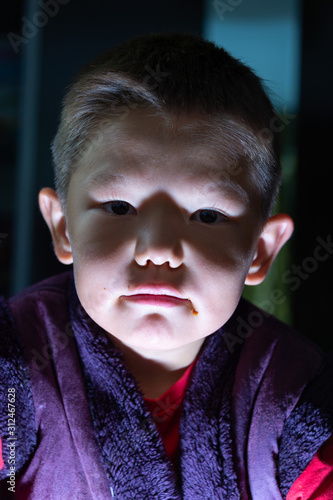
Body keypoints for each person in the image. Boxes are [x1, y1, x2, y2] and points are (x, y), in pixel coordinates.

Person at [0, 32, 332, 499]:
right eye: (118, 207)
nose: (158, 249)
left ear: (260, 250)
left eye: (208, 216)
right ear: (62, 227)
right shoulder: (13, 372)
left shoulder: (296, 395)